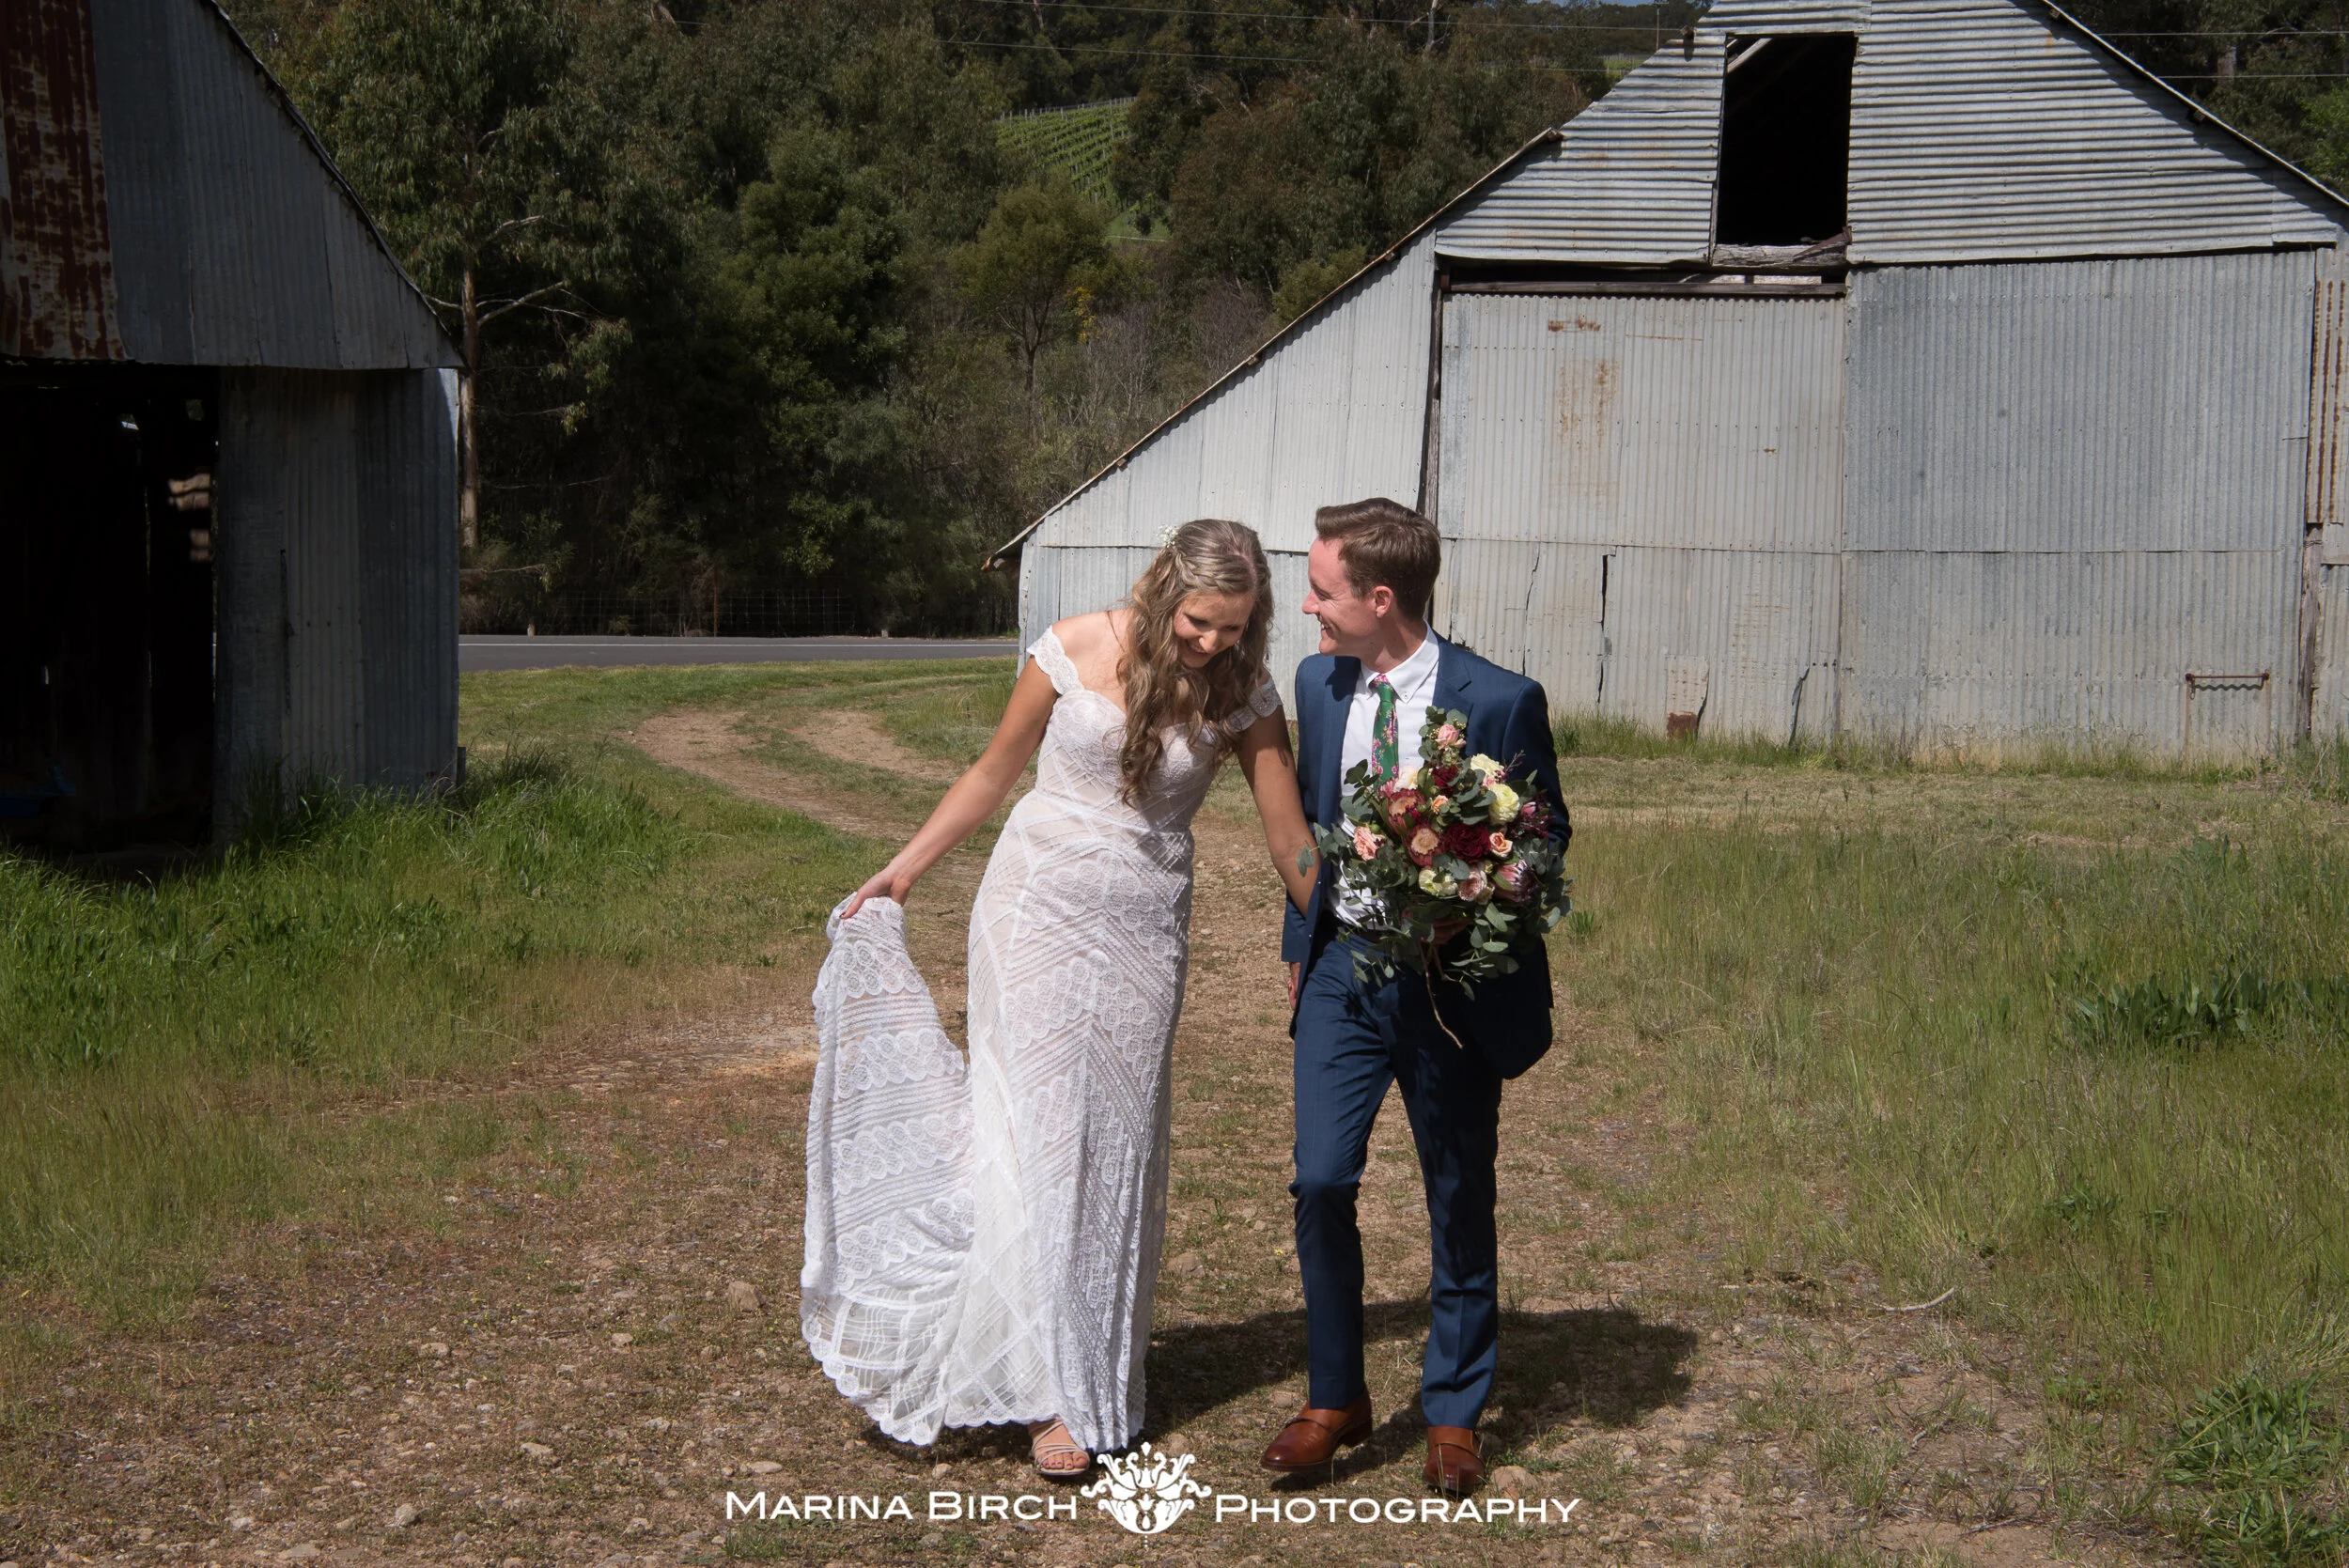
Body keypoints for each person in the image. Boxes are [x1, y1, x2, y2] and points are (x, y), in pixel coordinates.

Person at [803, 518, 1317, 1480]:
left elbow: (1286, 833)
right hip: (1031, 913)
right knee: (1028, 1132)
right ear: (1167, 587)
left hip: (1140, 933)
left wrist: (1356, 917)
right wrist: (903, 872)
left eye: (1235, 627)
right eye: (1203, 622)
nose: (1213, 643)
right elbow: (994, 771)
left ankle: (1088, 1378)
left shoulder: (1244, 690)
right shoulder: (1074, 643)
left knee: (1110, 1144)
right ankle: (1042, 1384)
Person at [1261, 497, 1569, 1493]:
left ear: (1379, 597)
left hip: (1445, 988)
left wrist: (1473, 897)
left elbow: (1544, 836)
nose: (1308, 610)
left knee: (1455, 1190)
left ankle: (1452, 1410)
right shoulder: (1318, 685)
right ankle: (1334, 1396)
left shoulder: (1498, 697)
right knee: (1319, 1179)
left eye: (1321, 592)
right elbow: (1311, 818)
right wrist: (1302, 942)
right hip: (1345, 970)